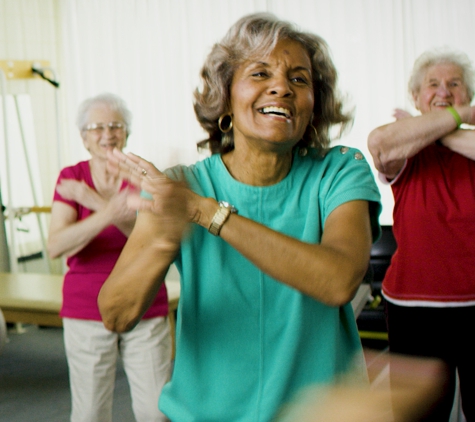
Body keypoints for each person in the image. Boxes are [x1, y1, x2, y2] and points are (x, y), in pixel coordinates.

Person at [98, 13, 381, 421]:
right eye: (261, 72)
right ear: (226, 97)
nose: (282, 87)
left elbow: (337, 281)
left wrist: (209, 213)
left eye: (299, 79)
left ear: (314, 106)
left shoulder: (339, 172)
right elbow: (117, 314)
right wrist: (162, 238)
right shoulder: (182, 186)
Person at [47, 93, 171, 422]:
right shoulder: (71, 176)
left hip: (144, 300)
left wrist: (91, 202)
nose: (107, 133)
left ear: (127, 132)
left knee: (156, 412)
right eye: (97, 127)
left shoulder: (142, 176)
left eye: (115, 125)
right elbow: (56, 245)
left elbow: (151, 240)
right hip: (85, 305)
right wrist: (108, 213)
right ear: (83, 137)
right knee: (90, 413)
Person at [367, 47, 475, 421]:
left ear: (469, 94)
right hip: (414, 308)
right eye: (433, 85)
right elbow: (381, 144)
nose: (443, 91)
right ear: (416, 96)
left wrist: (434, 127)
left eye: (454, 85)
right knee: (419, 415)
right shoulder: (407, 152)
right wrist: (457, 119)